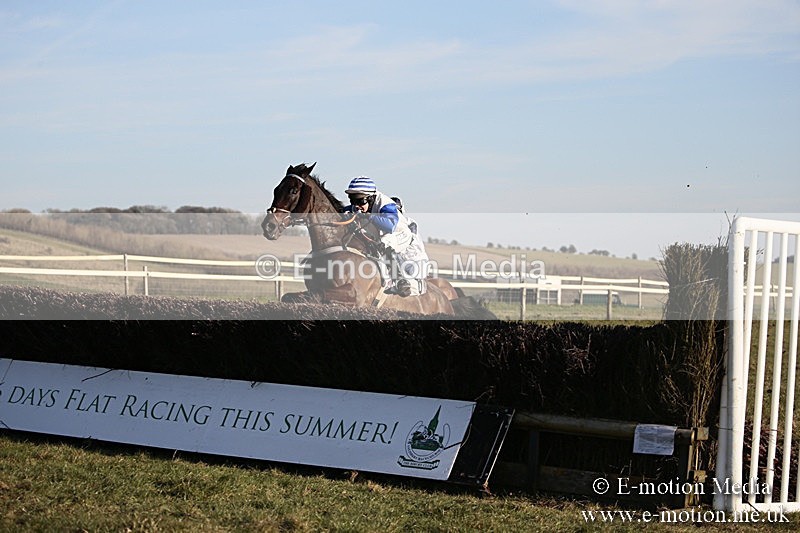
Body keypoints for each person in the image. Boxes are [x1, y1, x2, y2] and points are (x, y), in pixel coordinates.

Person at [343, 176, 429, 297]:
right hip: (384, 235)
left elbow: (390, 226)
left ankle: (400, 281)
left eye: (360, 201)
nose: (356, 205)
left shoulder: (386, 203)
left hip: (401, 235)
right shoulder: (361, 205)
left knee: (385, 243)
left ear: (371, 198)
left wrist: (368, 216)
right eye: (352, 200)